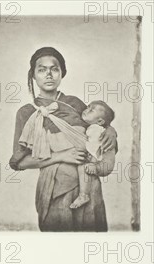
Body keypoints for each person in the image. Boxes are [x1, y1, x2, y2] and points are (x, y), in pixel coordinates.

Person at [9, 46, 117, 232]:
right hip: (54, 190)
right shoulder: (26, 113)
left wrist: (112, 130)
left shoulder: (74, 103)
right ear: (33, 75)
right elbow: (19, 162)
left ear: (62, 73)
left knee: (92, 247)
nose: (49, 74)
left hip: (89, 187)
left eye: (54, 68)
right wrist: (61, 156)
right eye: (42, 69)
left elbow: (98, 125)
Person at [69, 101, 116, 209]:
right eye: (88, 107)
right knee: (82, 168)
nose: (86, 110)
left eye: (91, 110)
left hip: (93, 157)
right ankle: (83, 195)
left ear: (100, 121)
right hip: (90, 156)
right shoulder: (91, 127)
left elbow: (97, 146)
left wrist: (94, 163)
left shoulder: (97, 130)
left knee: (83, 168)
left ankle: (83, 195)